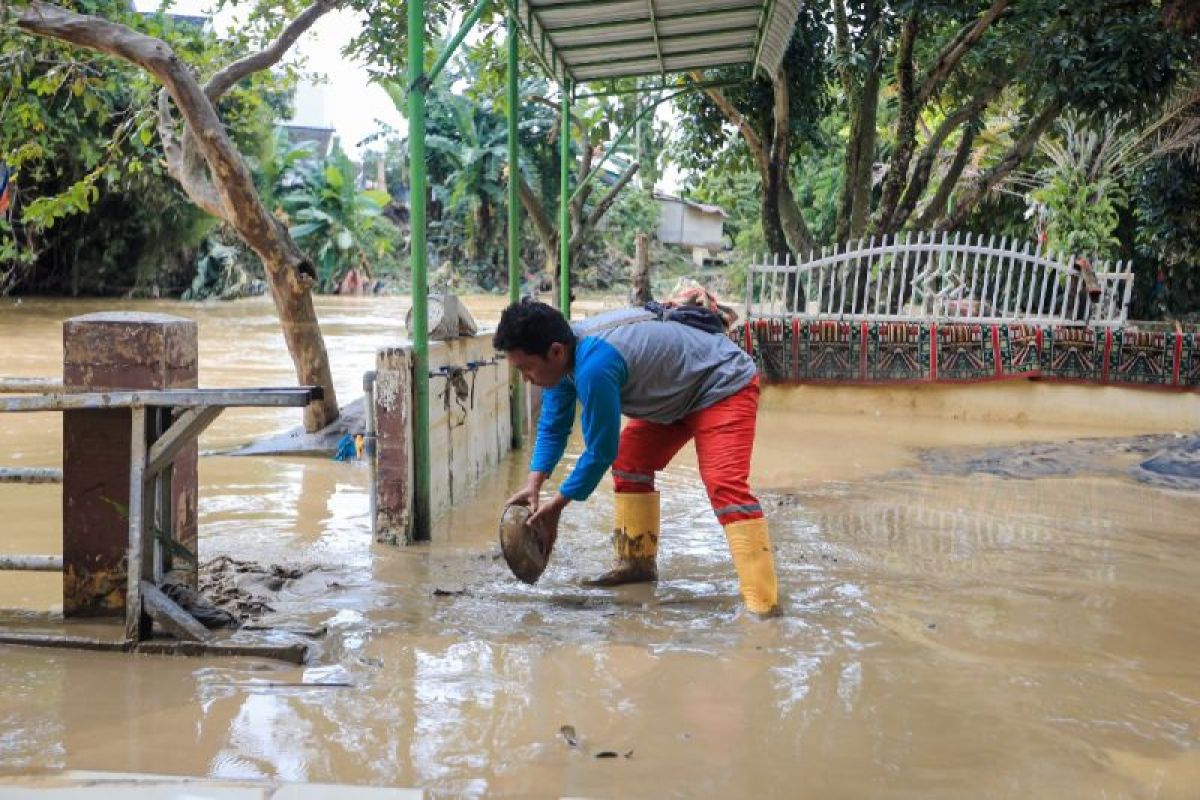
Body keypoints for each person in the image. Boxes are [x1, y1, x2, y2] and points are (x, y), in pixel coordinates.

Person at [494, 298, 779, 616]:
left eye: (526, 368)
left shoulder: (594, 367)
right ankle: (636, 566)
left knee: (725, 485)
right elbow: (553, 425)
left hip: (723, 384)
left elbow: (600, 451)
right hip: (677, 392)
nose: (526, 378)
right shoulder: (564, 359)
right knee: (631, 461)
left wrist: (557, 507)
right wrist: (535, 480)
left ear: (555, 351)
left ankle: (763, 604)